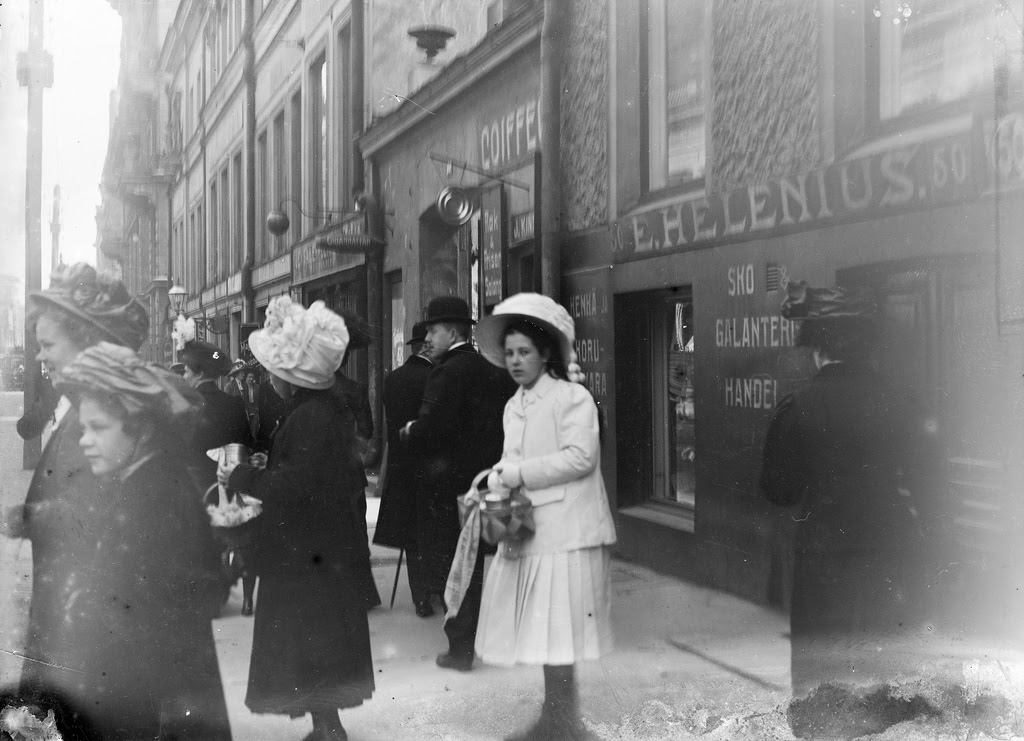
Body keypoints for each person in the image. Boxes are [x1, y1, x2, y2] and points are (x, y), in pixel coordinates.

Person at [759, 280, 941, 700]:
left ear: (819, 348)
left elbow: (779, 490)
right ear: (869, 347)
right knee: (889, 680)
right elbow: (931, 487)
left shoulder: (798, 405)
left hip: (825, 558)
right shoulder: (906, 402)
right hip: (894, 555)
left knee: (825, 682)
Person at [51, 342, 231, 740]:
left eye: (98, 428)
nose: (84, 440)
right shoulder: (144, 480)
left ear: (142, 429)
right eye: (83, 428)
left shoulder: (154, 496)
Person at [220, 296, 374, 741]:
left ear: (292, 376)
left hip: (307, 556)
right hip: (319, 551)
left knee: (312, 642)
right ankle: (327, 725)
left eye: (275, 369)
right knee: (319, 642)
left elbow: (294, 488)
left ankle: (328, 730)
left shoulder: (309, 417)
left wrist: (243, 474)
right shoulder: (318, 411)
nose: (269, 377)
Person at [1, 263, 149, 708]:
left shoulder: (106, 416)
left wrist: (31, 517)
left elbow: (109, 514)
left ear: (86, 341)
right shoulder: (83, 406)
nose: (40, 357)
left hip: (91, 636)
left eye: (48, 345)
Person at [474, 293, 617, 741]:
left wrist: (517, 473)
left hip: (568, 533)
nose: (515, 361)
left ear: (546, 355)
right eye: (510, 353)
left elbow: (580, 459)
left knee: (561, 632)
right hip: (533, 532)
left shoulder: (571, 398)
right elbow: (510, 458)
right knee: (544, 634)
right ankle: (556, 718)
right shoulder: (514, 404)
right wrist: (495, 483)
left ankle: (565, 721)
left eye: (524, 353)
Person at [400, 296, 516, 671]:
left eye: (433, 331)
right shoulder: (491, 367)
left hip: (451, 488)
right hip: (488, 481)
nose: (427, 339)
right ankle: (492, 638)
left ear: (453, 332)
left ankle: (461, 648)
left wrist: (410, 431)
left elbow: (432, 428)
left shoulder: (446, 372)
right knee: (489, 560)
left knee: (459, 563)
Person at [373, 321, 434, 616]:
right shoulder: (435, 377)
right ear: (426, 346)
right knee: (434, 529)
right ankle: (435, 590)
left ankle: (420, 595)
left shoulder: (394, 379)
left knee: (412, 535)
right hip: (431, 467)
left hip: (401, 467)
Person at [331, 313, 381, 610]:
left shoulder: (310, 391)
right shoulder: (354, 390)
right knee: (355, 533)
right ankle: (362, 595)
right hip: (350, 473)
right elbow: (367, 432)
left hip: (326, 474)